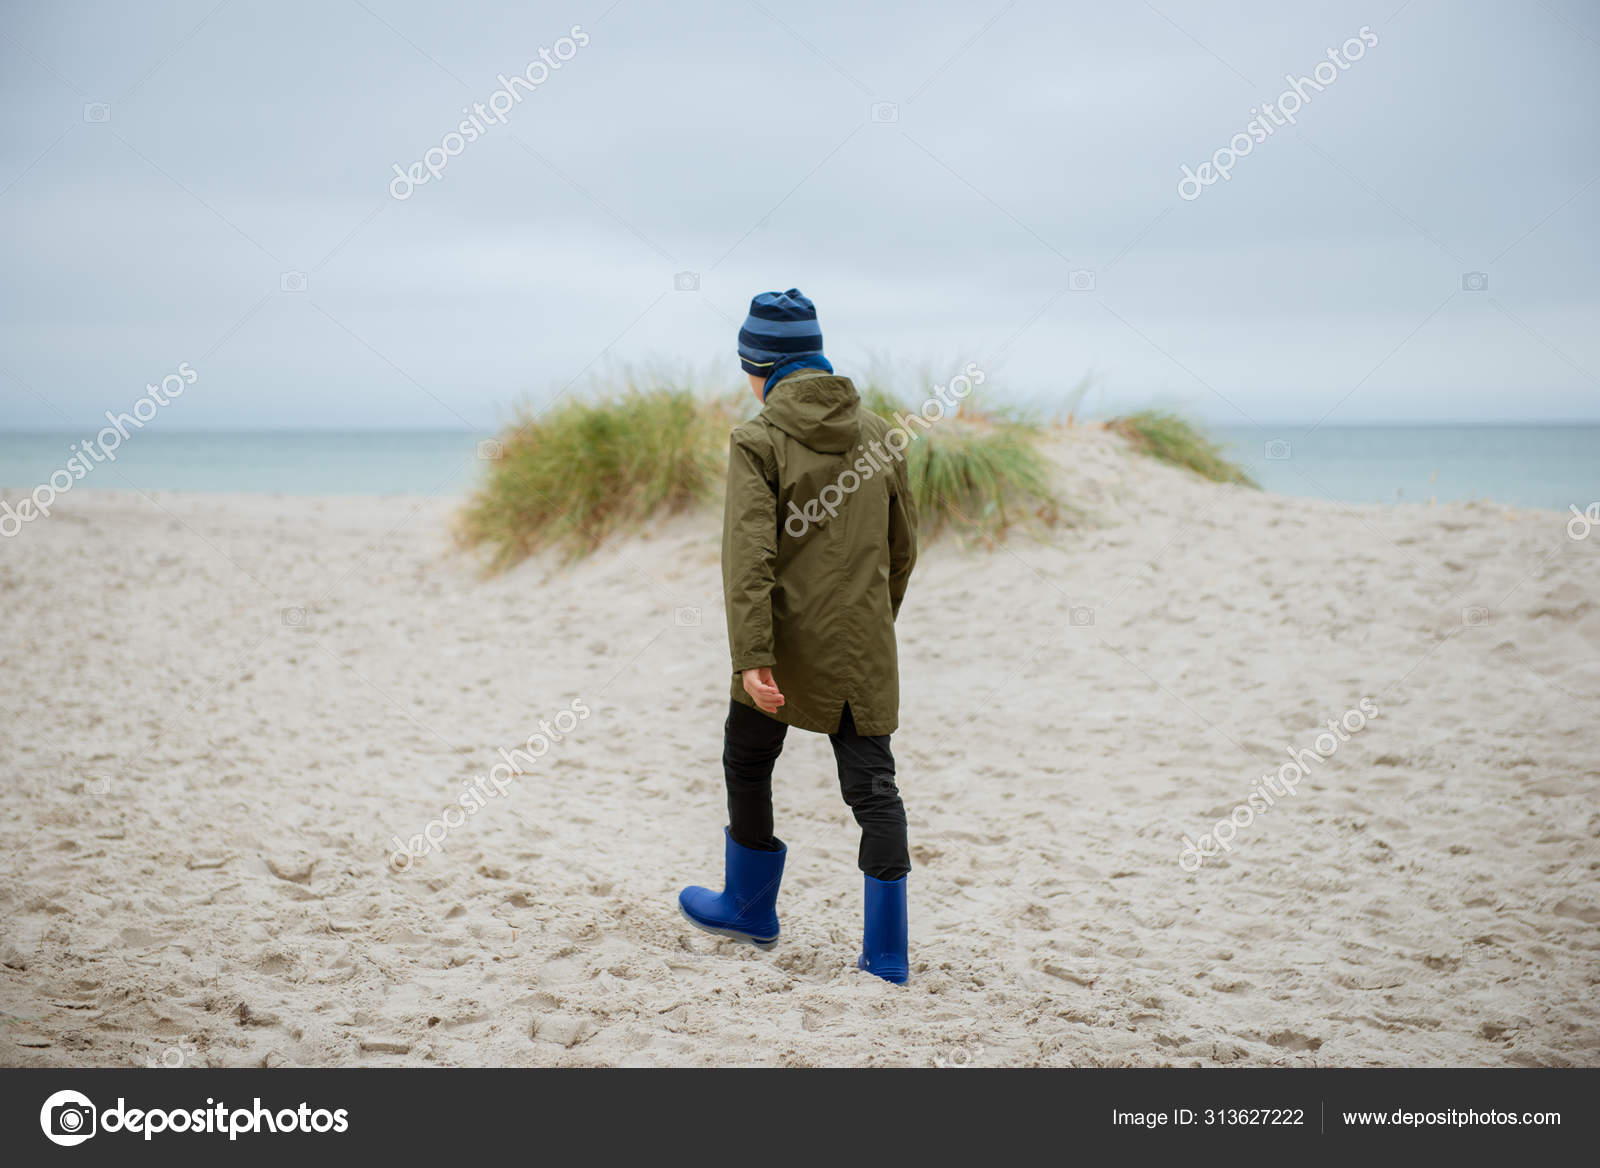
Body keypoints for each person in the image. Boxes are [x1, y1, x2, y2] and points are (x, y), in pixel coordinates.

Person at [677, 288, 918, 984]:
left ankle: (750, 909)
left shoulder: (757, 439)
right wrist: (874, 622)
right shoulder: (880, 436)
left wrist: (753, 656)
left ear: (762, 366)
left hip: (781, 647)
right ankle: (888, 956)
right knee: (874, 787)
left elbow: (747, 558)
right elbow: (904, 552)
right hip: (863, 647)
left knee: (748, 760)